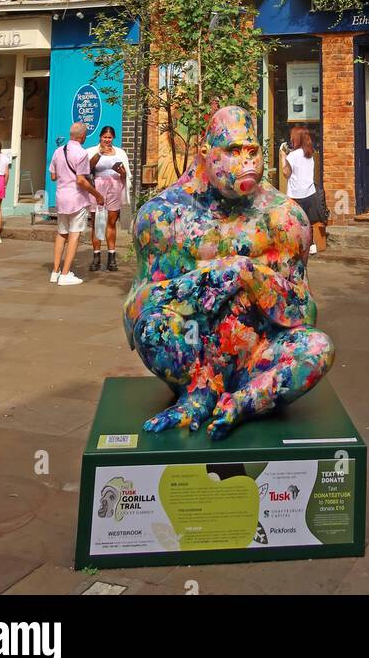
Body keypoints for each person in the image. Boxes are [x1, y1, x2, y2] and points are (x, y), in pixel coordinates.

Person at [125, 105, 334, 439]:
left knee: (317, 348)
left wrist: (250, 274)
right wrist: (205, 280)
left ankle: (243, 402)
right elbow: (137, 310)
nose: (247, 161)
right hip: (192, 356)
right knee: (152, 328)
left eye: (253, 151)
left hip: (260, 358)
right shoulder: (164, 216)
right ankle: (197, 394)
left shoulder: (283, 218)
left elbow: (304, 313)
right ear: (206, 154)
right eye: (234, 151)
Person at [48, 122, 104, 287]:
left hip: (61, 197)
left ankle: (55, 271)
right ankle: (65, 274)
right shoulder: (81, 153)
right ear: (82, 136)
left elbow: (53, 176)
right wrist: (97, 195)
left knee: (61, 233)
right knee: (74, 234)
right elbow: (81, 180)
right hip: (76, 199)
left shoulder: (59, 151)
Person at [88, 125, 131, 273]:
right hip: (97, 187)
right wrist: (99, 154)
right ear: (100, 137)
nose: (107, 140)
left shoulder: (119, 152)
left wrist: (122, 172)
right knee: (96, 223)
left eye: (110, 137)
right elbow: (87, 168)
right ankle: (96, 257)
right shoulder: (92, 151)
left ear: (113, 138)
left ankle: (111, 257)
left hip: (114, 185)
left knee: (111, 222)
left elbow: (126, 175)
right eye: (104, 137)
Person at [281, 126, 323, 254]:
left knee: (296, 222)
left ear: (296, 138)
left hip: (295, 194)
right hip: (310, 192)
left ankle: (297, 245)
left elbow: (286, 173)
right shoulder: (309, 153)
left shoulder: (292, 155)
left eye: (292, 137)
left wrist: (283, 156)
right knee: (310, 221)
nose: (290, 139)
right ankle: (312, 245)